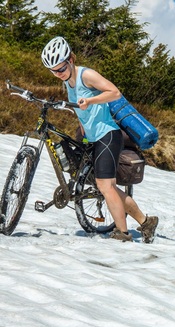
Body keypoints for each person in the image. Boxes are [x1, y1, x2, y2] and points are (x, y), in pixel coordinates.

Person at [41, 36, 158, 243]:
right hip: (94, 137)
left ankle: (122, 233)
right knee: (106, 187)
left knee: (105, 186)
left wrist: (91, 100)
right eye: (53, 71)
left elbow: (114, 92)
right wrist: (83, 128)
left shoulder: (87, 75)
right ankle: (145, 221)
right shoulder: (69, 82)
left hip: (108, 134)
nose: (58, 74)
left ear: (70, 60)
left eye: (60, 69)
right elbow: (81, 109)